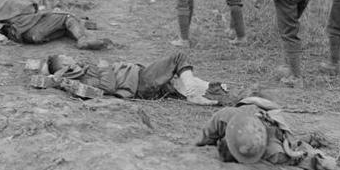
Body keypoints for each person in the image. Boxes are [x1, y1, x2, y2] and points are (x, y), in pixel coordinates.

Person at [195, 97, 338, 170]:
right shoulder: (224, 117)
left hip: (274, 117)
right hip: (250, 109)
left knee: (294, 136)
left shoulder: (274, 152)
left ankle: (311, 137)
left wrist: (317, 159)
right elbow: (200, 141)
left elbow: (309, 157)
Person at [43, 51, 226, 104]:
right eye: (65, 58)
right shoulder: (81, 80)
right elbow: (108, 88)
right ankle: (193, 90)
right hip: (139, 82)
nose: (69, 56)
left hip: (138, 78)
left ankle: (208, 95)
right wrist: (105, 68)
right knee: (177, 58)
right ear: (65, 67)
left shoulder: (82, 69)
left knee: (189, 86)